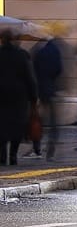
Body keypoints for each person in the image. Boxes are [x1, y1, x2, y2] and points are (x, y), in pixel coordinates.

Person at [0, 28, 38, 166]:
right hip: (19, 97)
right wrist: (34, 97)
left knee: (2, 126)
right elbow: (30, 78)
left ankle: (2, 156)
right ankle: (13, 155)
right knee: (17, 126)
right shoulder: (22, 55)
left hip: (2, 97)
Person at [27, 37, 62, 160]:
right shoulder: (55, 51)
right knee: (52, 123)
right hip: (50, 89)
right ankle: (50, 151)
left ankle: (37, 148)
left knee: (38, 120)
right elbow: (58, 69)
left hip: (39, 91)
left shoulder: (38, 52)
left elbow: (33, 71)